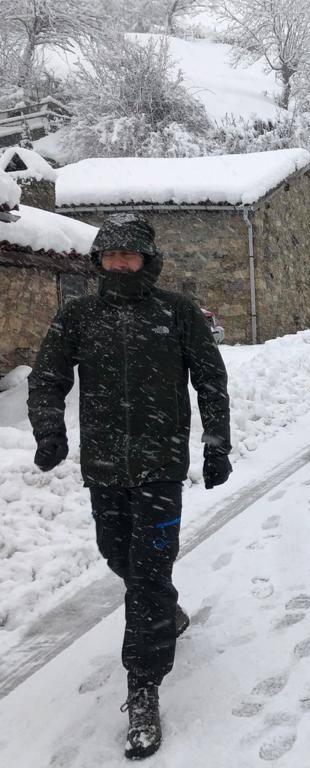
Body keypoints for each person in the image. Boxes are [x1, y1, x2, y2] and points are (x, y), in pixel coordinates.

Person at [27, 213, 232, 760]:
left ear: (146, 259)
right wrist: (49, 429)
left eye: (129, 255)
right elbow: (47, 377)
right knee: (119, 555)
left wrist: (216, 442)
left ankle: (142, 686)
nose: (119, 263)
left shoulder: (177, 313)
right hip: (104, 467)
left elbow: (210, 378)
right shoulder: (78, 316)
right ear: (99, 261)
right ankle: (168, 611)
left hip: (161, 465)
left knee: (146, 574)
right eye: (110, 255)